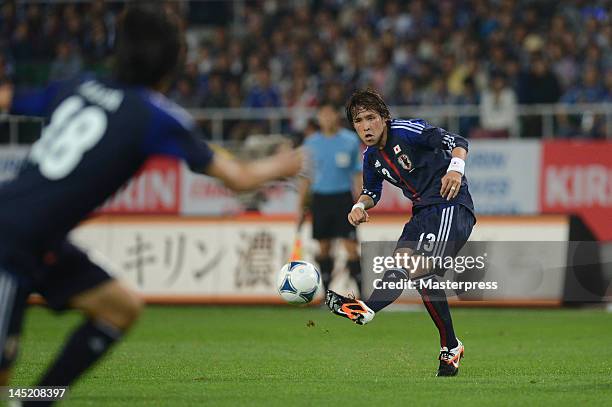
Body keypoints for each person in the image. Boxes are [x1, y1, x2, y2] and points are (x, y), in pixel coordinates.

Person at [0, 5, 302, 405]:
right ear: (172, 64)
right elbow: (239, 178)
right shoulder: (157, 117)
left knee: (119, 307)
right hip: (10, 240)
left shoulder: (77, 85)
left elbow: (8, 97)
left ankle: (34, 399)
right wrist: (285, 163)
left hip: (37, 238)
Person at [325, 89, 476, 377]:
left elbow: (459, 141)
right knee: (404, 266)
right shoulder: (370, 157)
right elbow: (372, 192)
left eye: (371, 118)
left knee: (422, 270)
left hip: (450, 205)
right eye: (358, 121)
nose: (366, 126)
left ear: (384, 117)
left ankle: (370, 309)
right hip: (421, 214)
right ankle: (450, 345)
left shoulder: (408, 131)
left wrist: (455, 170)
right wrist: (359, 205)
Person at [298, 103, 363, 294]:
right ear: (318, 118)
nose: (326, 118)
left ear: (336, 116)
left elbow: (357, 173)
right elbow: (306, 178)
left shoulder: (350, 140)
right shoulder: (311, 143)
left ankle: (363, 295)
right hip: (320, 200)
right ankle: (327, 295)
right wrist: (301, 206)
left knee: (351, 247)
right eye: (322, 114)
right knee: (324, 248)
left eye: (330, 114)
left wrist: (360, 202)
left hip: (343, 199)